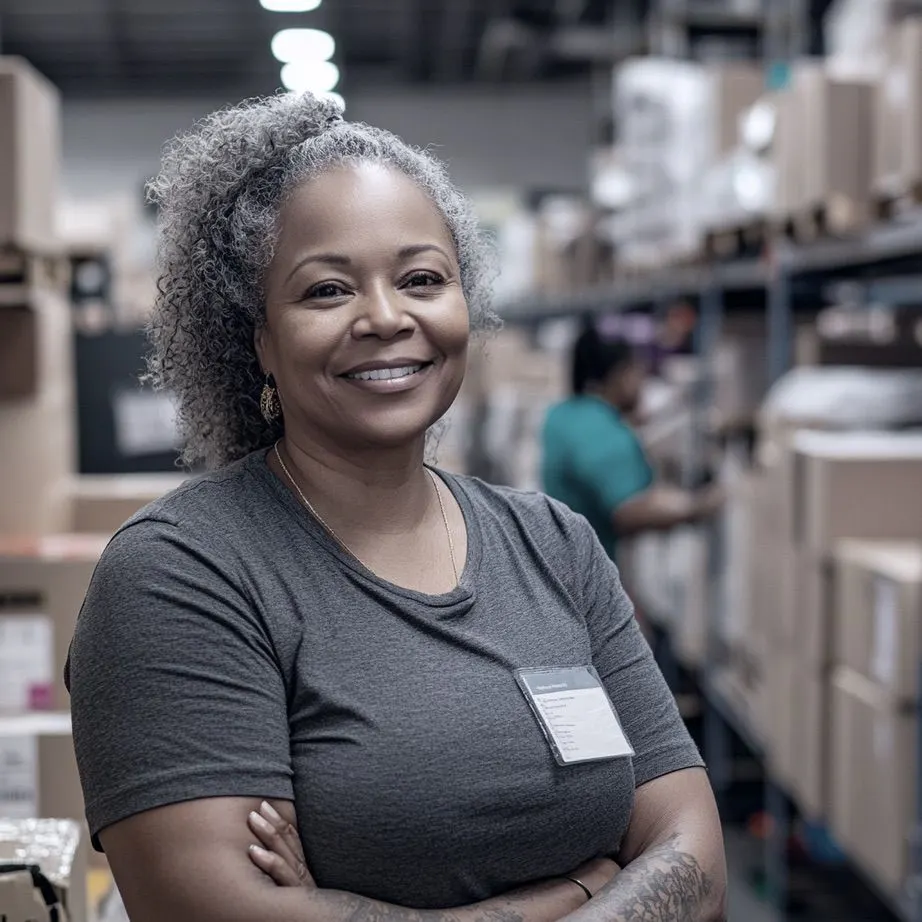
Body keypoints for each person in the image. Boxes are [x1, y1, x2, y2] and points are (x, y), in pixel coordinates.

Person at [65, 93, 726, 922]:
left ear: (464, 303)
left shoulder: (555, 544)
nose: (386, 317)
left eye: (422, 279)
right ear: (259, 339)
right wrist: (585, 886)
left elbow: (696, 861)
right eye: (327, 290)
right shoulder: (183, 575)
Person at [542, 320, 723, 560]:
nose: (642, 382)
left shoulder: (562, 415)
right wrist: (700, 507)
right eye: (638, 371)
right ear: (620, 375)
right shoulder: (603, 430)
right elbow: (629, 511)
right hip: (586, 578)